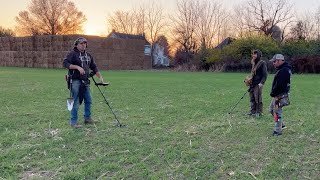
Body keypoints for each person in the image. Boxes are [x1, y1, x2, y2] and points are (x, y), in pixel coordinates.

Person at [63, 37, 105, 128]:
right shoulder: (72, 54)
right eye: (81, 43)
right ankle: (73, 122)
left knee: (88, 100)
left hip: (85, 81)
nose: (83, 45)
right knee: (75, 101)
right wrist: (77, 67)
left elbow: (94, 67)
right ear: (76, 45)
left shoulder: (88, 55)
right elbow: (65, 63)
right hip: (75, 81)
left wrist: (100, 77)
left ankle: (87, 118)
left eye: (85, 43)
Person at [269, 54, 292, 136]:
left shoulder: (284, 70)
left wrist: (274, 93)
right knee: (271, 110)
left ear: (279, 60)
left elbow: (281, 85)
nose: (273, 63)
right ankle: (281, 125)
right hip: (277, 95)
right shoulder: (282, 69)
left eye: (274, 61)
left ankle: (277, 131)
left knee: (277, 113)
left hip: (279, 95)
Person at [247, 49, 268, 117]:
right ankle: (253, 111)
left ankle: (259, 112)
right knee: (252, 98)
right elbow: (252, 73)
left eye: (255, 54)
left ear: (258, 55)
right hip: (252, 83)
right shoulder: (253, 63)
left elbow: (265, 74)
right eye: (253, 54)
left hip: (258, 83)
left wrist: (262, 83)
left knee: (258, 98)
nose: (253, 55)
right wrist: (249, 79)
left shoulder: (262, 63)